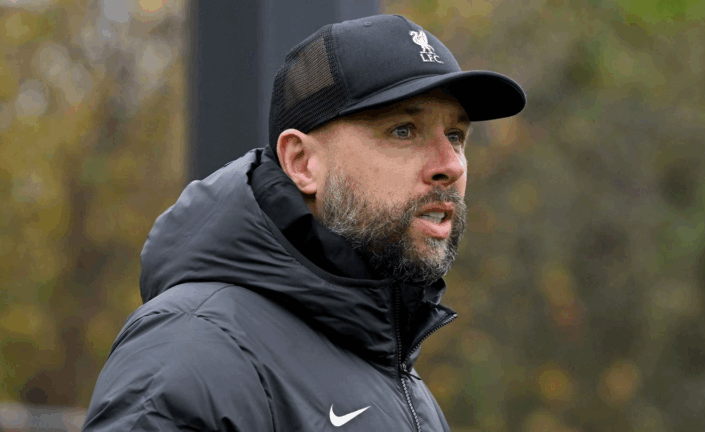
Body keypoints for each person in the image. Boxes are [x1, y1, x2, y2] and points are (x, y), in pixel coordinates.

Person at [82, 14, 525, 431]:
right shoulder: (191, 350)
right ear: (302, 162)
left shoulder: (399, 379)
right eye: (403, 130)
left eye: (456, 136)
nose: (451, 165)